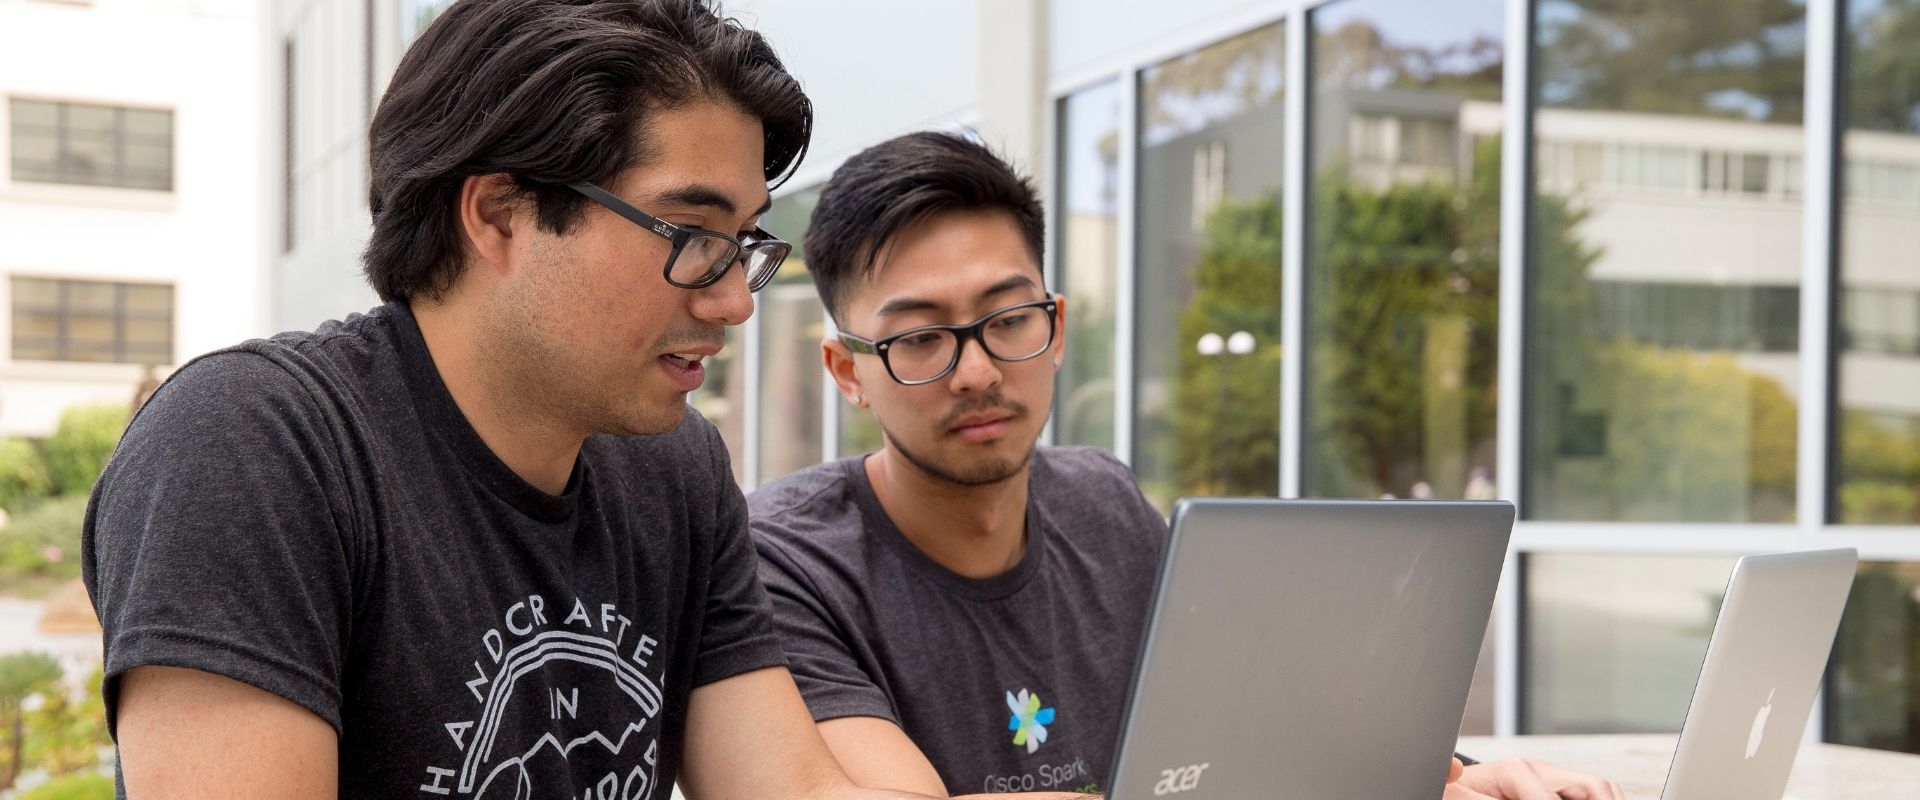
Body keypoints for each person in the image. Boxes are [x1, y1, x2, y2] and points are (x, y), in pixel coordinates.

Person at [82, 3, 1083, 798]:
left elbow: (788, 786)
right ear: (501, 213)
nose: (734, 298)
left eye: (743, 245)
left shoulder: (670, 467)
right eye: (691, 235)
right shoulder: (256, 448)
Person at [749, 131, 1625, 800]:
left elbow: (1265, 710)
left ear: (1054, 327)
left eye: (1007, 318)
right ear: (847, 372)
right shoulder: (789, 560)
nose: (976, 370)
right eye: (920, 337)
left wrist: (1450, 775)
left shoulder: (1103, 500)